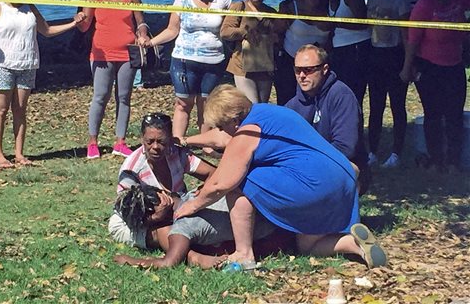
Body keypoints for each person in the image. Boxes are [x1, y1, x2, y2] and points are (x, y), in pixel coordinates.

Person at [175, 84, 387, 270]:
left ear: (234, 121)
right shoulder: (268, 112)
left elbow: (221, 183)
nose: (220, 131)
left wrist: (194, 204)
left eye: (222, 125)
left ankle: (243, 253)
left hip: (315, 185)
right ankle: (355, 244)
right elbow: (220, 138)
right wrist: (185, 140)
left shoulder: (247, 133)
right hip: (345, 178)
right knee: (307, 245)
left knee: (242, 182)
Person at [0, 0, 86, 169]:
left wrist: (73, 23)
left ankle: (19, 154)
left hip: (27, 63)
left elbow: (46, 31)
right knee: (0, 110)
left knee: (20, 110)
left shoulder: (29, 7)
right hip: (2, 65)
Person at [143, 0, 231, 146]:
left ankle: (205, 144)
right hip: (184, 60)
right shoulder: (181, 0)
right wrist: (151, 42)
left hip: (214, 61)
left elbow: (232, 28)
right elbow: (172, 30)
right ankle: (176, 143)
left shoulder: (222, 0)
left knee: (207, 105)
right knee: (183, 103)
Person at [111, 173, 283, 269]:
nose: (158, 203)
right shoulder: (183, 226)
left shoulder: (192, 195)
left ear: (160, 191)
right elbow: (168, 263)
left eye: (153, 198)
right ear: (149, 223)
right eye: (150, 209)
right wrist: (130, 260)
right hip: (276, 218)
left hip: (272, 207)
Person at [76, 0, 150, 160]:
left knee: (124, 97)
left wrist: (142, 34)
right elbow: (84, 27)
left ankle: (120, 142)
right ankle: (92, 142)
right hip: (101, 53)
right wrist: (80, 19)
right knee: (100, 97)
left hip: (127, 52)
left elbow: (141, 22)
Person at [108, 112, 216, 249]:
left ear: (170, 139)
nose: (155, 147)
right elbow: (129, 215)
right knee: (166, 232)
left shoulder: (177, 153)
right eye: (149, 141)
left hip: (174, 215)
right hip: (133, 224)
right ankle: (195, 258)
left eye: (161, 142)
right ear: (142, 139)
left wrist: (204, 192)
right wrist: (157, 217)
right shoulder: (131, 170)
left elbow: (214, 174)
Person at [400, 0, 470, 172]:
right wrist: (407, 68)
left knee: (454, 115)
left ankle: (453, 162)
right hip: (429, 67)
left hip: (455, 65)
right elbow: (412, 40)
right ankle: (436, 159)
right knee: (433, 114)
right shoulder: (425, 6)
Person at [285, 44, 371, 194]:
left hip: (344, 166)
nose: (302, 75)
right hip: (304, 166)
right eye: (297, 70)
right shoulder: (293, 105)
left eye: (308, 70)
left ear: (324, 69)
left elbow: (346, 148)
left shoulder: (342, 96)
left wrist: (306, 162)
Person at [366, 0, 410, 168]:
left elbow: (405, 32)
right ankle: (372, 150)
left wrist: (407, 63)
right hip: (375, 55)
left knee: (397, 105)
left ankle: (396, 152)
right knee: (375, 105)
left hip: (394, 55)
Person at [315, 0, 371, 108]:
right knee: (340, 94)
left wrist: (335, 24)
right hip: (339, 51)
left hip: (357, 49)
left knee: (353, 95)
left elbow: (363, 22)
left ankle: (355, 128)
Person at [221, 0, 278, 103]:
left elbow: (278, 36)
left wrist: (273, 38)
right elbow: (225, 31)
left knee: (263, 106)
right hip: (242, 67)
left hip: (264, 66)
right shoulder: (239, 7)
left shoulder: (271, 13)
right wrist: (244, 32)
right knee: (252, 105)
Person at [274, 0, 330, 105]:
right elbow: (276, 32)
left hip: (317, 65)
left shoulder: (328, 9)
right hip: (289, 62)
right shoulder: (290, 7)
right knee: (287, 100)